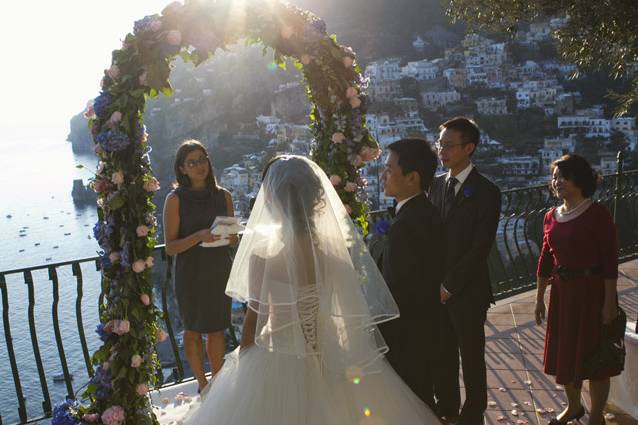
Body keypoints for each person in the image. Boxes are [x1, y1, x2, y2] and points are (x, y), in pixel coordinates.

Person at [183, 155, 441, 425]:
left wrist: (241, 372)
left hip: (277, 361)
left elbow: (254, 324)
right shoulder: (335, 257)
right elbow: (348, 316)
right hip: (330, 358)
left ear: (272, 201)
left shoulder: (263, 260)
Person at [535, 154, 620, 425]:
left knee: (595, 357)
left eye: (563, 176)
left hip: (592, 292)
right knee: (565, 354)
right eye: (555, 177)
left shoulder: (597, 214)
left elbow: (609, 261)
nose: (557, 182)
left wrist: (608, 303)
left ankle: (596, 415)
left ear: (579, 179)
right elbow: (545, 260)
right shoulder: (551, 216)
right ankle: (573, 407)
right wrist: (539, 298)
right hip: (563, 294)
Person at [429, 117, 501, 425]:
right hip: (436, 288)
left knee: (471, 355)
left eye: (449, 145)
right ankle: (447, 406)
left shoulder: (486, 191)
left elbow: (479, 248)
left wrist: (452, 284)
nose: (442, 151)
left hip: (468, 289)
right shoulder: (436, 186)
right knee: (443, 352)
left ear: (469, 148)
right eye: (440, 144)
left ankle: (473, 412)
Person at [163, 139, 238, 392]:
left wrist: (230, 236)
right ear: (181, 168)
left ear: (209, 162)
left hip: (218, 270)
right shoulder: (174, 200)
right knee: (193, 330)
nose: (199, 166)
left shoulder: (223, 196)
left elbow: (232, 238)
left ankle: (216, 385)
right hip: (191, 274)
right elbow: (171, 247)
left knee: (217, 329)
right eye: (191, 162)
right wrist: (198, 237)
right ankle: (202, 384)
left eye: (202, 159)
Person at [378, 138, 445, 409]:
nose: (383, 175)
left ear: (412, 178)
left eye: (389, 169)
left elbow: (399, 286)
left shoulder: (407, 225)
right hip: (425, 329)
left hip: (406, 335)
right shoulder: (424, 213)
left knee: (410, 403)